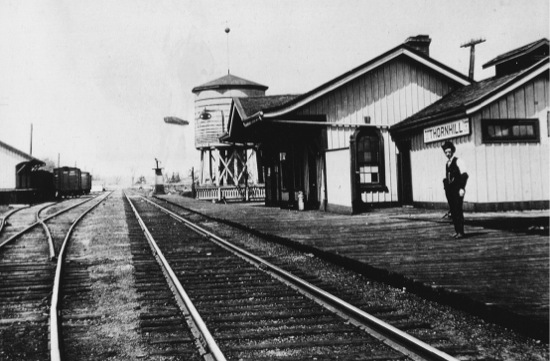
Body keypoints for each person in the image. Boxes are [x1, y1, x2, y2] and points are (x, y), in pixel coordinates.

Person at [442, 141, 468, 239]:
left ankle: (461, 231)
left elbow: (464, 175)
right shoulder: (447, 163)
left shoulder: (458, 161)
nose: (448, 154)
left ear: (452, 151)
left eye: (449, 151)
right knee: (453, 210)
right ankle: (457, 231)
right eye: (446, 152)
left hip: (457, 190)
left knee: (458, 210)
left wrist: (462, 187)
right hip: (450, 191)